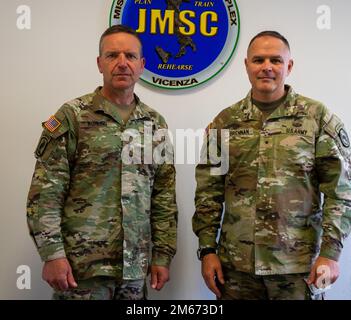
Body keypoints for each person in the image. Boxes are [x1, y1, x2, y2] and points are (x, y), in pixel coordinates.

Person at [192, 30, 351, 300]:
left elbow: (341, 191)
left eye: (276, 60)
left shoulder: (317, 119)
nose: (267, 67)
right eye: (258, 60)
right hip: (237, 267)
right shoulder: (225, 122)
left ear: (289, 66)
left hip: (297, 269)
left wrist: (330, 253)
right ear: (246, 65)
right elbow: (209, 193)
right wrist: (207, 251)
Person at [27, 25, 178, 300]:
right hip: (81, 268)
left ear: (142, 64)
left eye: (130, 56)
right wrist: (52, 254)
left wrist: (163, 255)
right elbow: (45, 193)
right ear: (99, 63)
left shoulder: (155, 124)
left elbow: (163, 197)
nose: (122, 63)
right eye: (112, 55)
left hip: (134, 268)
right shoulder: (72, 116)